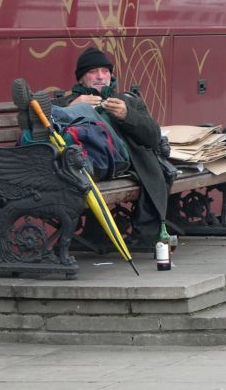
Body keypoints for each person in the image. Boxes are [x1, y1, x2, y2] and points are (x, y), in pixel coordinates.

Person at [51, 47, 169, 251]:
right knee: (74, 121)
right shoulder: (66, 102)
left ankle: (143, 233)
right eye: (93, 72)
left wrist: (127, 116)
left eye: (105, 71)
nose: (100, 77)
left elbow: (153, 137)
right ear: (81, 79)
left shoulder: (126, 100)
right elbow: (43, 122)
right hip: (83, 165)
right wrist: (72, 107)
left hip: (123, 163)